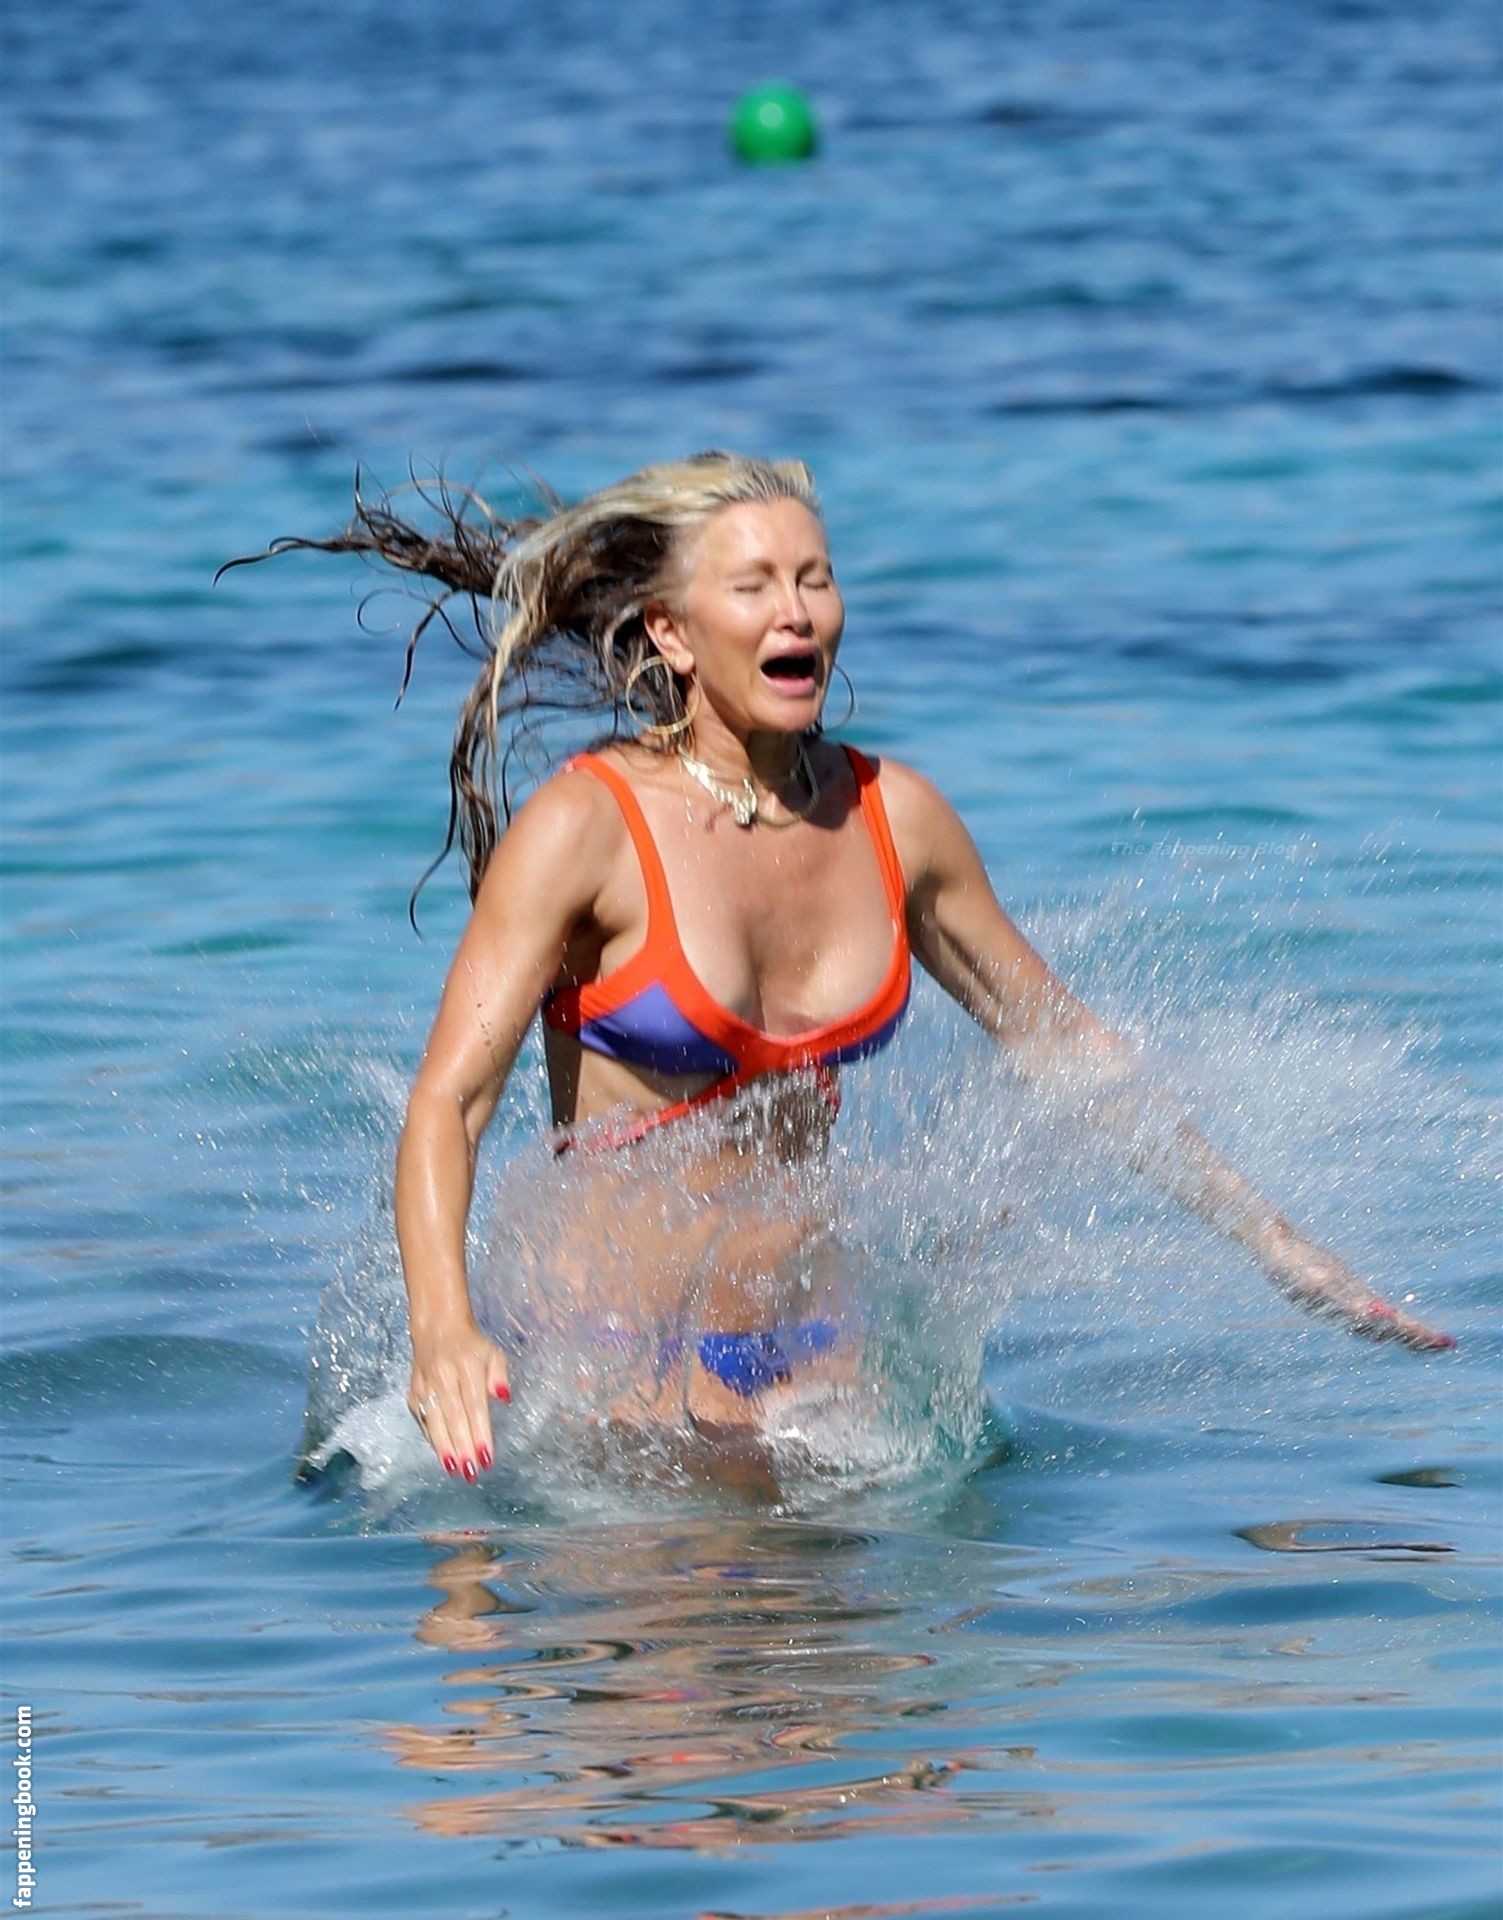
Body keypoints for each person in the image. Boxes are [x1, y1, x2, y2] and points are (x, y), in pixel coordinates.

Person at [232, 451, 1453, 1483]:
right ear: (671, 632)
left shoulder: (894, 819)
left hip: (813, 1360)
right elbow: (450, 1105)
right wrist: (443, 1330)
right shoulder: (586, 828)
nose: (796, 613)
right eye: (754, 585)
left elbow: (1073, 1054)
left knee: (907, 1697)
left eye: (814, 578)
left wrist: (1277, 1248)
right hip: (610, 1368)